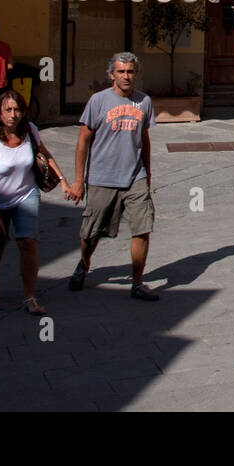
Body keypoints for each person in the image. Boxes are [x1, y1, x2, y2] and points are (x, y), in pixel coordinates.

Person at [65, 52, 158, 301]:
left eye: (130, 71)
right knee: (91, 233)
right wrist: (78, 180)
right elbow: (83, 141)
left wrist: (147, 175)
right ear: (112, 75)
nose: (126, 76)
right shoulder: (98, 101)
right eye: (121, 72)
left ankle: (137, 283)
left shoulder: (144, 102)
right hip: (101, 177)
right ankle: (84, 263)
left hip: (134, 176)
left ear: (135, 74)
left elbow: (144, 140)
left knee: (142, 228)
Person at [0, 88, 66, 314]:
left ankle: (29, 297)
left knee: (28, 243)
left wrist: (63, 181)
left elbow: (46, 155)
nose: (13, 114)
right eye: (8, 110)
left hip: (25, 194)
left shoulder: (30, 130)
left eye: (18, 110)